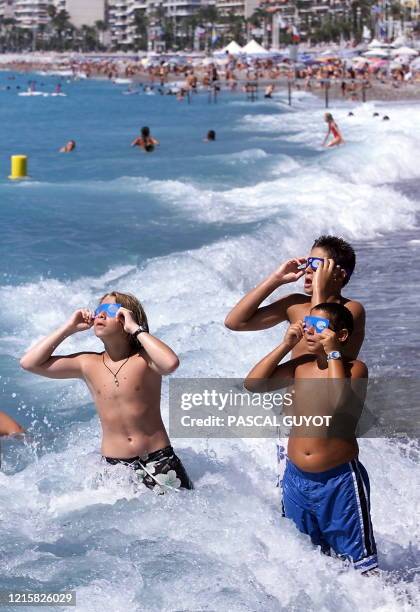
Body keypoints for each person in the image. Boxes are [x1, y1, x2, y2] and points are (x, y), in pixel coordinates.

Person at [244, 303, 377, 573]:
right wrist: (285, 345)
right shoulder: (299, 368)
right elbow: (253, 384)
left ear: (339, 335)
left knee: (359, 565)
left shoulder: (355, 369)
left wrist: (334, 355)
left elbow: (337, 402)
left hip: (338, 481)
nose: (309, 333)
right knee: (306, 560)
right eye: (307, 326)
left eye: (317, 328)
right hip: (296, 480)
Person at [20, 291, 193, 493]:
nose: (100, 315)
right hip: (115, 467)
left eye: (109, 310)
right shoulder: (87, 363)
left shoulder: (145, 359)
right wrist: (68, 329)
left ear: (126, 318)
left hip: (159, 459)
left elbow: (171, 364)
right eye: (98, 310)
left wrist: (135, 328)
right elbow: (29, 363)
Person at [225, 236, 365, 361]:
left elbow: (320, 345)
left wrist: (318, 289)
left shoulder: (351, 309)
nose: (308, 270)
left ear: (340, 275)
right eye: (309, 263)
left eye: (317, 265)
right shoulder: (294, 304)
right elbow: (235, 323)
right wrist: (275, 279)